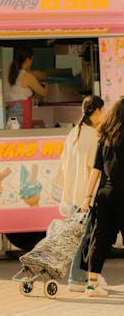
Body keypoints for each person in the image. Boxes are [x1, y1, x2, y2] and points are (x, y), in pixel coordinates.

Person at [59, 95, 106, 293]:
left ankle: (86, 276)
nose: (104, 115)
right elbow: (95, 168)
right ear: (95, 113)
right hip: (87, 196)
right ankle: (76, 279)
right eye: (102, 111)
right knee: (85, 238)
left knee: (82, 237)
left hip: (73, 193)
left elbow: (63, 164)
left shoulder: (74, 133)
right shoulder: (93, 137)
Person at [80, 96, 124, 297]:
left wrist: (87, 197)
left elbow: (96, 170)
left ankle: (91, 285)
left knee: (100, 239)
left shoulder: (105, 135)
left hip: (104, 195)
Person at [6, 47, 48, 128]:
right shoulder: (27, 76)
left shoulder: (14, 73)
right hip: (23, 111)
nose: (31, 62)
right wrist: (47, 86)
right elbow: (44, 92)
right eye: (32, 60)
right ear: (28, 60)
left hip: (12, 111)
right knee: (25, 134)